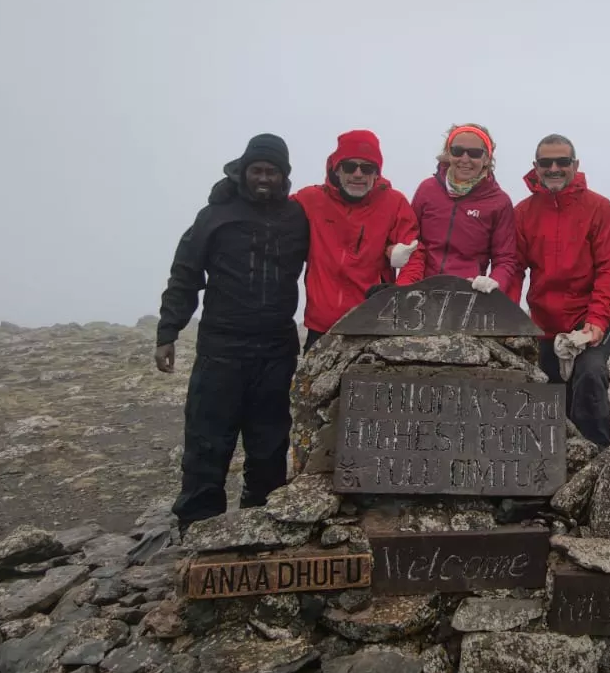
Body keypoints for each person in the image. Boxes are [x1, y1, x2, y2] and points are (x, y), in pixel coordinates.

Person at [155, 134, 310, 536]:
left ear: (284, 176)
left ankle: (263, 518)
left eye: (271, 172)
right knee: (208, 439)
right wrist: (168, 330)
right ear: (243, 172)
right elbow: (186, 273)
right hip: (221, 347)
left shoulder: (297, 218)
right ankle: (197, 525)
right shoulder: (215, 215)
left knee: (270, 442)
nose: (263, 178)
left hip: (276, 347)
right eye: (256, 170)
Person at [511, 134, 610, 448]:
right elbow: (515, 269)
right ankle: (547, 475)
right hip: (544, 325)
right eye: (546, 163)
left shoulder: (599, 209)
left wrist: (596, 323)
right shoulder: (523, 212)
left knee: (589, 378)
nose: (554, 168)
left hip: (588, 321)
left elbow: (608, 269)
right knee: (548, 395)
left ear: (575, 164)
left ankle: (595, 464)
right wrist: (508, 322)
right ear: (536, 167)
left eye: (562, 162)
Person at [291, 129, 425, 352]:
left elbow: (415, 254)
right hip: (321, 327)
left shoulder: (394, 203)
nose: (358, 174)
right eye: (350, 166)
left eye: (367, 168)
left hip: (371, 324)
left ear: (377, 173)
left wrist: (398, 293)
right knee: (315, 387)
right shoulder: (311, 199)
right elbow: (273, 211)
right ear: (336, 168)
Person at [408, 123, 520, 297]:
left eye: (475, 153)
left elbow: (505, 259)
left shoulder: (499, 202)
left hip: (468, 294)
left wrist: (496, 281)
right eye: (457, 151)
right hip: (421, 290)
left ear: (487, 158)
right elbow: (410, 240)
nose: (465, 159)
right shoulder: (427, 189)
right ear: (448, 154)